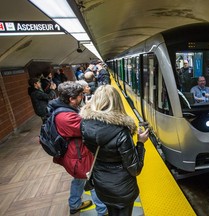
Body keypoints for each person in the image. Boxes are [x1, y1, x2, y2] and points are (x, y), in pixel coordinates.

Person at [79, 85, 149, 216]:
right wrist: (140, 143)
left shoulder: (84, 124)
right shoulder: (122, 131)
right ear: (117, 102)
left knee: (111, 211)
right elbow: (135, 169)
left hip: (101, 181)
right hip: (122, 186)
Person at [48, 81, 107, 215]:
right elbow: (89, 129)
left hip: (75, 154)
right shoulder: (66, 117)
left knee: (79, 179)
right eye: (80, 95)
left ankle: (74, 204)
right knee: (93, 181)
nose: (82, 97)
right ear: (71, 99)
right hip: (78, 156)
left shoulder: (62, 107)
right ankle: (103, 211)